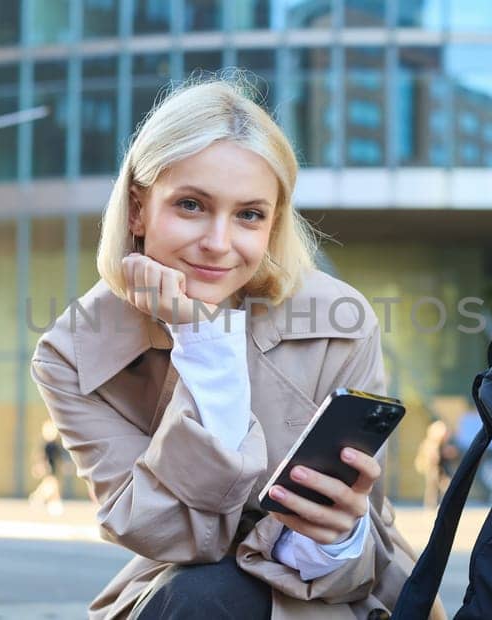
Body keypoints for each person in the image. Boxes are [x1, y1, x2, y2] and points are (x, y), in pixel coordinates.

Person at [31, 76, 440, 619]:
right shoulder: (73, 353)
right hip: (182, 597)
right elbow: (172, 536)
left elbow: (366, 530)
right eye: (192, 205)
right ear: (137, 210)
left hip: (329, 595)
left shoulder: (337, 320)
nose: (219, 243)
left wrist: (333, 536)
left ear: (272, 226)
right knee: (203, 596)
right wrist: (204, 343)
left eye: (249, 215)